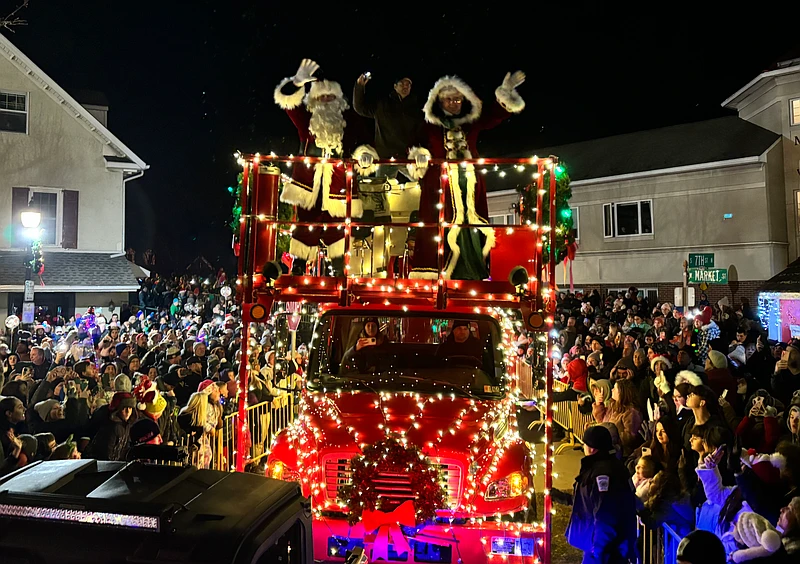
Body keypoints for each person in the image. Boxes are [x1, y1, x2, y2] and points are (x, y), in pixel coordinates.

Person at [406, 70, 526, 280]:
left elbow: (493, 116)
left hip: (469, 184)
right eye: (449, 100)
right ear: (439, 102)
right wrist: (420, 156)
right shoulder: (429, 126)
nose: (454, 103)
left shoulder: (471, 121)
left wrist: (505, 92)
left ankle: (469, 271)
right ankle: (437, 271)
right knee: (440, 228)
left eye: (458, 99)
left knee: (470, 227)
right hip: (440, 187)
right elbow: (414, 145)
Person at [273, 58, 370, 270]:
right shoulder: (305, 119)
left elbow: (361, 143)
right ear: (315, 100)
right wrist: (297, 83)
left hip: (338, 180)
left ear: (338, 100)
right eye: (322, 97)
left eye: (331, 97)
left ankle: (338, 264)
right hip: (309, 180)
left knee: (336, 223)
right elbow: (288, 104)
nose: (326, 100)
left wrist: (364, 154)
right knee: (307, 221)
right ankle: (299, 262)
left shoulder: (349, 120)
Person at [565, 425, 637, 564]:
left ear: (592, 448)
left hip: (605, 551)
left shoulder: (602, 473)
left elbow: (605, 514)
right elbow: (588, 501)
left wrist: (599, 551)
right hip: (601, 547)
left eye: (584, 444)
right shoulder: (605, 466)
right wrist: (561, 497)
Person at [353, 72, 422, 159]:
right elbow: (360, 108)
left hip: (407, 159)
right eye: (402, 83)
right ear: (395, 86)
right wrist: (359, 86)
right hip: (384, 158)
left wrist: (419, 152)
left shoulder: (415, 108)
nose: (405, 86)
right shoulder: (382, 105)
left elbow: (420, 133)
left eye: (408, 84)